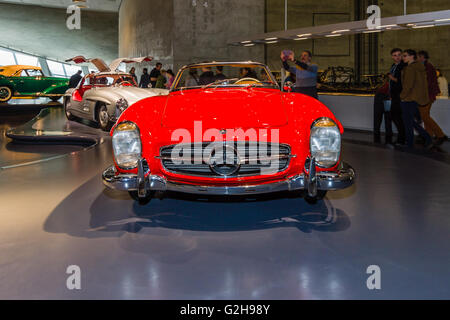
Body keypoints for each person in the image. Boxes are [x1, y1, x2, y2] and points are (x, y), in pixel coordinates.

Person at [400, 49, 433, 149]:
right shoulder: (419, 67)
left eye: (405, 56)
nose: (403, 58)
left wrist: (401, 96)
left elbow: (408, 85)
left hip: (408, 99)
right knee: (410, 121)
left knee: (408, 123)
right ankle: (427, 137)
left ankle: (410, 144)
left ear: (412, 56)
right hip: (416, 99)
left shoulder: (410, 68)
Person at [417, 51, 446, 145]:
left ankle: (440, 135)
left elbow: (427, 83)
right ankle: (428, 135)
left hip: (427, 96)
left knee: (424, 116)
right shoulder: (425, 66)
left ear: (424, 57)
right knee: (425, 115)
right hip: (426, 95)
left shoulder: (428, 67)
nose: (418, 58)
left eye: (420, 56)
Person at [387, 48, 406, 145]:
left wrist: (392, 78)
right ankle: (401, 138)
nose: (397, 57)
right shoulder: (394, 66)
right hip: (394, 96)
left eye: (399, 55)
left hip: (400, 96)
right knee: (395, 116)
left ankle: (402, 139)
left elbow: (401, 82)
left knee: (397, 117)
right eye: (395, 55)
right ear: (392, 57)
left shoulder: (403, 66)